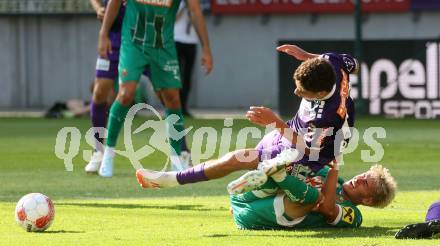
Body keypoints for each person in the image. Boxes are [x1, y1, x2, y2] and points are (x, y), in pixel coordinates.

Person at [136, 45, 358, 189]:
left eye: (302, 92)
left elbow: (310, 149)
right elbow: (353, 64)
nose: (295, 92)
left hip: (314, 152)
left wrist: (275, 123)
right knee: (254, 161)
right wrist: (308, 57)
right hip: (296, 130)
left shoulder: (326, 117)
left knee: (239, 159)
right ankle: (268, 173)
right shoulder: (330, 61)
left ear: (319, 94)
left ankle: (171, 180)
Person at [97, 0, 213, 177]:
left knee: (172, 97)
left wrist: (206, 48)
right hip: (133, 43)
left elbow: (195, 11)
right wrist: (103, 33)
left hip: (162, 45)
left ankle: (176, 160)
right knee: (126, 93)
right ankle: (108, 154)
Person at [228, 158, 397, 230]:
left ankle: (275, 174)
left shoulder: (354, 215)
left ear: (367, 200)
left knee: (314, 198)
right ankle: (269, 176)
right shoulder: (331, 178)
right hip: (247, 200)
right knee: (298, 168)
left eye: (365, 183)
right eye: (363, 175)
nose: (358, 178)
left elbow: (328, 210)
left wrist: (334, 169)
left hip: (259, 217)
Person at [86, 0, 151, 173]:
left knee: (168, 93)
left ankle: (182, 152)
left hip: (144, 37)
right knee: (100, 93)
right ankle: (98, 151)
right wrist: (99, 8)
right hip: (114, 36)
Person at [174, 1, 198, 117]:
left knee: (187, 77)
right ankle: (174, 107)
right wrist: (183, 8)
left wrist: (191, 10)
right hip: (177, 41)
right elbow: (173, 19)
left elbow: (197, 22)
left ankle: (184, 107)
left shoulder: (194, 4)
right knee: (176, 77)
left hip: (191, 41)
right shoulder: (178, 3)